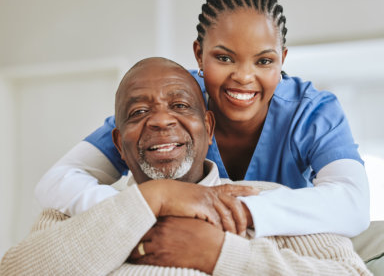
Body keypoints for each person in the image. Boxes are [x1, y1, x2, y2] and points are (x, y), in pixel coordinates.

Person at [35, 0, 370, 238]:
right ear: (199, 54)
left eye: (264, 61)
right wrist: (156, 200)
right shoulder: (171, 107)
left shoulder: (311, 112)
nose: (243, 77)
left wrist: (222, 210)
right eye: (224, 58)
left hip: (282, 241)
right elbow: (57, 180)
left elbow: (352, 204)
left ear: (282, 60)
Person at [0, 58, 372, 276]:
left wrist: (223, 254)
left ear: (208, 129)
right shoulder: (68, 216)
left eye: (179, 106)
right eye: (139, 112)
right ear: (117, 143)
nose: (161, 121)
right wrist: (152, 199)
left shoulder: (269, 201)